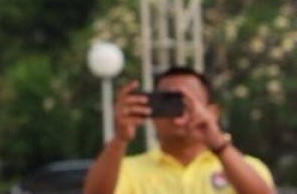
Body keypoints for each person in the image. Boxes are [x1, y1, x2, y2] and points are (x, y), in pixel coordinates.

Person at [84, 67, 275, 194]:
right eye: (168, 104)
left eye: (187, 104)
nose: (177, 117)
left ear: (212, 112)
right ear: (153, 111)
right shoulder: (126, 170)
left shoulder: (245, 168)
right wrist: (120, 139)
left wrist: (217, 141)